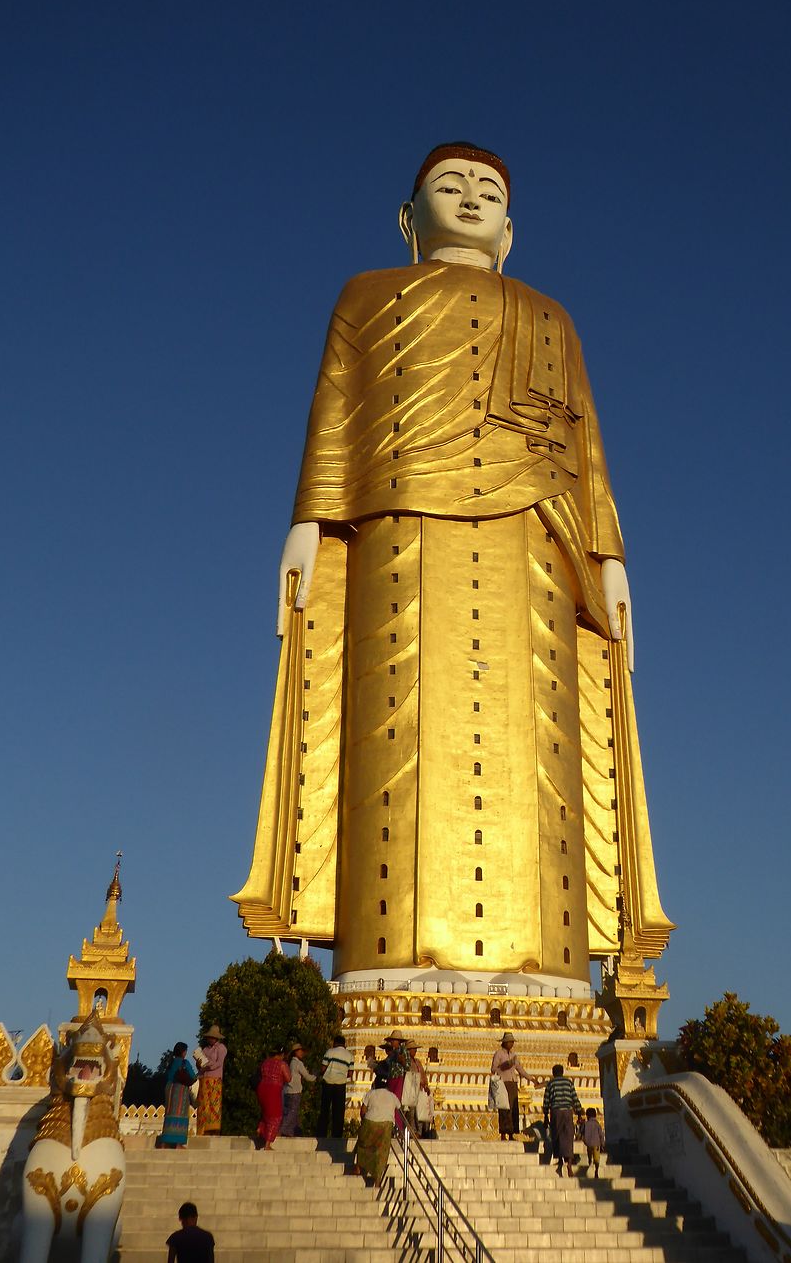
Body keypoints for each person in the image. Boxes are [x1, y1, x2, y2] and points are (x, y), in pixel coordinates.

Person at [233, 143, 674, 991]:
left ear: (510, 229)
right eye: (450, 186)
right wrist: (308, 523)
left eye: (488, 193)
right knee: (393, 736)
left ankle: (549, 971)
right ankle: (386, 965)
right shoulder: (366, 296)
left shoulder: (553, 317)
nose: (470, 199)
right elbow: (335, 411)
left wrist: (610, 557)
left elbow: (586, 450)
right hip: (399, 529)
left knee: (542, 759)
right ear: (408, 219)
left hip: (534, 542)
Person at [351, 1076, 400, 1186]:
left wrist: (364, 1122)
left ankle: (358, 1167)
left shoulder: (370, 1094)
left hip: (370, 1121)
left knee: (363, 1144)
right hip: (386, 1125)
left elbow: (362, 1111)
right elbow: (399, 1106)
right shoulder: (392, 1096)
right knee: (381, 1152)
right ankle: (377, 1180)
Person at [490, 1032, 536, 1140]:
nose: (511, 1044)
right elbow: (493, 1069)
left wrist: (531, 1079)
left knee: (513, 1109)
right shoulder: (498, 1054)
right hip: (503, 1083)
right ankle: (503, 1133)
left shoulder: (514, 1056)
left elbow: (520, 1069)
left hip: (512, 1083)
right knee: (504, 1108)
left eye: (512, 1042)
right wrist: (504, 1066)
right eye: (510, 1042)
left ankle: (511, 1133)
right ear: (504, 1043)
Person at [543, 1063, 583, 1176]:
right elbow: (575, 1098)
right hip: (568, 1111)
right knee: (568, 1136)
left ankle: (560, 1160)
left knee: (557, 1135)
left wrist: (545, 1115)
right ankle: (569, 1163)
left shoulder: (551, 1084)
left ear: (553, 1073)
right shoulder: (568, 1082)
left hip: (556, 1111)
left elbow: (546, 1101)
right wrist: (579, 1113)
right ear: (562, 1072)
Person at [315, 1033, 354, 1138]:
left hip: (328, 1083)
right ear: (344, 1044)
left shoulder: (330, 1051)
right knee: (339, 1112)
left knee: (325, 1110)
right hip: (341, 1085)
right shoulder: (350, 1056)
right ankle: (337, 1135)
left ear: (335, 1043)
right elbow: (350, 1074)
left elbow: (323, 1068)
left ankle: (321, 1133)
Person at [159, 1043, 196, 1149]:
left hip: (169, 1089)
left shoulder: (171, 1063)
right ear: (183, 1052)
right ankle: (178, 1143)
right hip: (180, 1090)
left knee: (169, 1114)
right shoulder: (185, 1063)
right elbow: (192, 1076)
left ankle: (164, 1142)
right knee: (180, 1114)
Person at [255, 1046, 291, 1150]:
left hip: (262, 1088)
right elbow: (288, 1078)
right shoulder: (282, 1064)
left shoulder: (265, 1063)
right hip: (274, 1089)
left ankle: (260, 1128)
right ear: (282, 1055)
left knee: (266, 1112)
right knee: (275, 1116)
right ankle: (267, 1144)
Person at [194, 1024, 226, 1136]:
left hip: (214, 1079)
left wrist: (208, 1065)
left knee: (214, 1105)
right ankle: (202, 1129)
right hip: (204, 1078)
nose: (210, 1039)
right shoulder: (205, 1049)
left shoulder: (221, 1048)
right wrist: (199, 1064)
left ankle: (212, 1129)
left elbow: (219, 1063)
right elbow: (200, 1065)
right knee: (203, 1105)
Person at [282, 1041, 317, 1137]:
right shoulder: (298, 1063)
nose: (302, 1053)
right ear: (296, 1052)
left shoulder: (289, 1063)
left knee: (291, 1113)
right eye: (301, 1051)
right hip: (295, 1091)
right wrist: (316, 1075)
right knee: (292, 1113)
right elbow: (308, 1077)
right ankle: (283, 1129)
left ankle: (294, 1132)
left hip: (287, 1091)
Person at [400, 1042, 430, 1136]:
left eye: (415, 1049)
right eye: (413, 1049)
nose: (415, 1051)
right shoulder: (405, 1062)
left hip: (418, 1091)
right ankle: (408, 1131)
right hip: (409, 1091)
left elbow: (423, 1075)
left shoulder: (417, 1062)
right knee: (409, 1112)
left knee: (417, 1113)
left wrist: (425, 1085)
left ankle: (417, 1132)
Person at [581, 1107, 605, 1178]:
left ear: (587, 1115)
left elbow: (581, 1132)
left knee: (589, 1155)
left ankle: (590, 1162)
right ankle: (596, 1170)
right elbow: (601, 1135)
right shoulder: (597, 1124)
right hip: (596, 1144)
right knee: (597, 1159)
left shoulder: (586, 1124)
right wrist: (602, 1144)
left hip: (588, 1144)